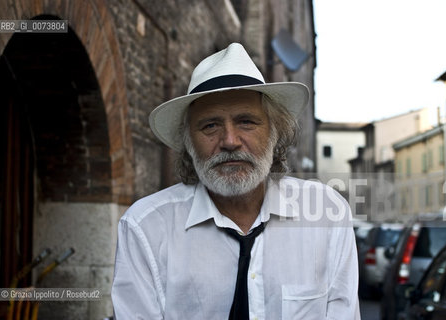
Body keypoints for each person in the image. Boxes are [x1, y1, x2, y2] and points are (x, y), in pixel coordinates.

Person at [111, 42, 360, 319]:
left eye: (246, 122)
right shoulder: (146, 228)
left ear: (275, 132)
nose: (230, 141)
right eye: (210, 125)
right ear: (188, 142)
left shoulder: (325, 215)